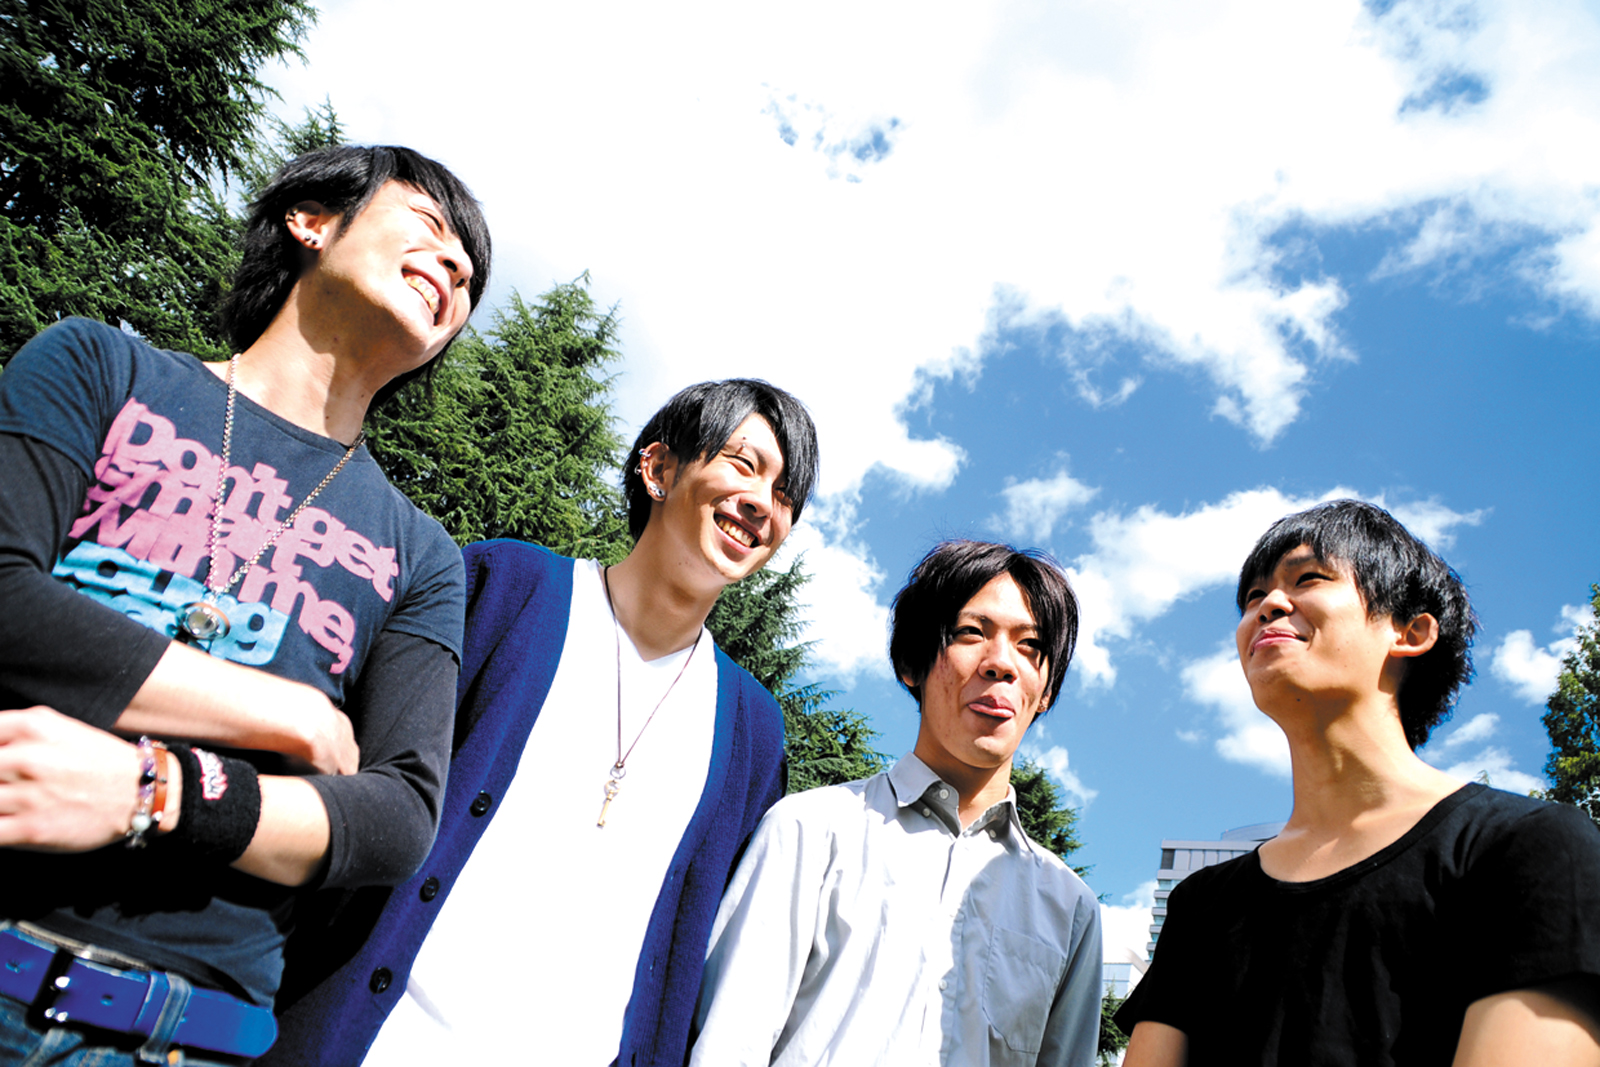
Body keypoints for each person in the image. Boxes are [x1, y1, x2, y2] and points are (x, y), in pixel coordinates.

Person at [0, 144, 490, 1065]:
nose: (458, 266)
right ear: (312, 220)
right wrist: (285, 710)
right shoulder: (99, 367)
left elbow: (397, 813)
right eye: (430, 224)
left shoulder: (422, 554)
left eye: (470, 276)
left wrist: (155, 791)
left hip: (184, 1035)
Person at [262, 378, 820, 1066]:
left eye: (786, 495)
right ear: (658, 469)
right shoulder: (505, 588)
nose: (763, 502)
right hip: (375, 1043)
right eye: (743, 463)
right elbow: (356, 786)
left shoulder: (753, 733)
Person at [1116, 500, 1600, 1067]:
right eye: (1253, 596)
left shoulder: (1533, 848)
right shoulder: (1201, 905)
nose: (1267, 606)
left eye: (1308, 579)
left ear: (1410, 631)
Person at [688, 539, 1103, 1067]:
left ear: (1045, 691)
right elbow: (728, 1046)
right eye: (972, 633)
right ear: (911, 662)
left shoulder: (1071, 909)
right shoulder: (809, 831)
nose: (1001, 663)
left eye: (1030, 645)